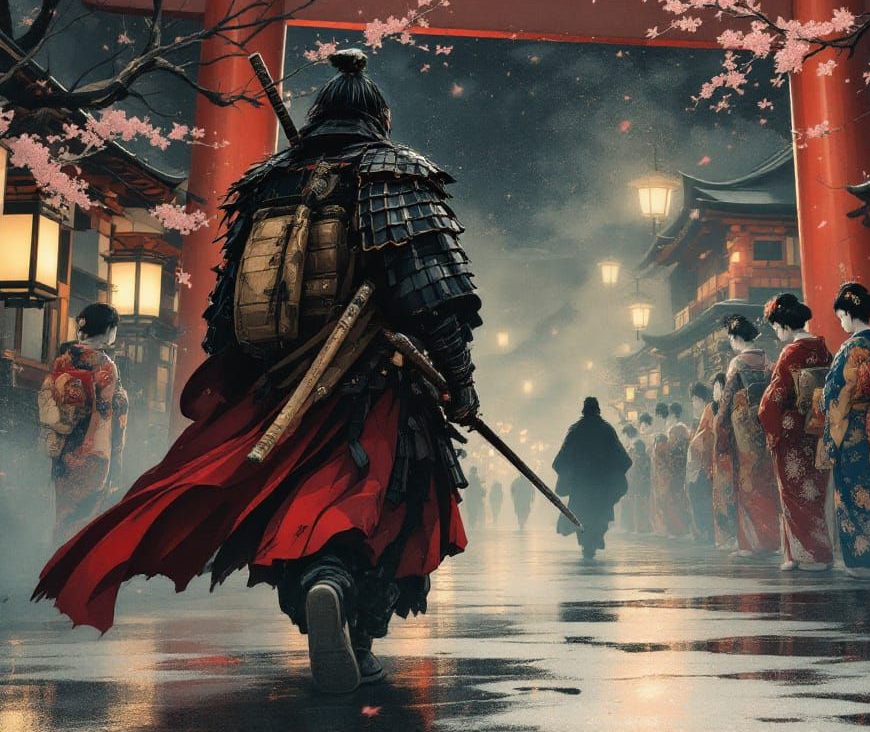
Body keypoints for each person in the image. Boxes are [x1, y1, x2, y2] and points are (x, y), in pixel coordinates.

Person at [35, 49, 483, 693]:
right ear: (379, 120)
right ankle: (346, 608)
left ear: (319, 113)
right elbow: (433, 297)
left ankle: (322, 593)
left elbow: (224, 320)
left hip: (284, 391)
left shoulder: (268, 181)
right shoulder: (395, 173)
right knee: (375, 502)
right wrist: (459, 384)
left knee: (298, 503)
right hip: (378, 386)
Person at [820, 283, 870, 578]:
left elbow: (834, 392)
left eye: (841, 316)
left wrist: (827, 420)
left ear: (850, 314)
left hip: (853, 433)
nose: (841, 323)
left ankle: (863, 561)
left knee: (852, 495)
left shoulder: (851, 348)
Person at [38, 303, 128, 545]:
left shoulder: (62, 360)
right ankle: (76, 572)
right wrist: (91, 449)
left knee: (64, 514)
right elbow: (103, 411)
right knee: (87, 516)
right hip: (92, 450)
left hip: (64, 446)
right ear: (109, 329)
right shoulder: (104, 364)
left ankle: (55, 566)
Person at [758, 293, 834, 571]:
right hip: (818, 428)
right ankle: (820, 552)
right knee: (815, 492)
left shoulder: (791, 352)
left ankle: (805, 555)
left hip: (793, 431)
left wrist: (769, 425)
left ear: (784, 326)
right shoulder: (823, 348)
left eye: (776, 327)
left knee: (793, 492)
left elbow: (774, 396)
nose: (776, 332)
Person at [719, 314, 780, 558]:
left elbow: (726, 399)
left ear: (735, 337)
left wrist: (720, 424)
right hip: (764, 423)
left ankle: (751, 543)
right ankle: (771, 539)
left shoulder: (738, 363)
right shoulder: (768, 359)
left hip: (744, 429)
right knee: (765, 479)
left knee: (747, 482)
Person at [553, 397, 632, 559]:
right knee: (599, 514)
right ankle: (593, 542)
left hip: (580, 484)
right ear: (598, 410)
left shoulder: (575, 430)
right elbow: (623, 459)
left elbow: (561, 459)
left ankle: (586, 544)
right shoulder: (607, 429)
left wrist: (570, 473)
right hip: (602, 485)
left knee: (581, 514)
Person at [710, 372, 738, 550]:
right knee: (720, 499)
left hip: (729, 458)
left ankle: (734, 536)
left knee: (730, 498)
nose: (715, 391)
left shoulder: (728, 409)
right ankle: (725, 537)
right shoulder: (715, 408)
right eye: (713, 388)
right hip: (719, 460)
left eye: (717, 387)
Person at [686, 382, 716, 544]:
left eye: (693, 400)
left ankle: (709, 534)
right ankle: (705, 533)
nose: (692, 404)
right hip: (699, 466)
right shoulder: (700, 416)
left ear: (698, 398)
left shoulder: (710, 410)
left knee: (704, 499)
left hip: (706, 465)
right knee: (700, 499)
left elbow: (708, 438)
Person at [627, 438, 652, 535]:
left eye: (635, 448)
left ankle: (643, 528)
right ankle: (638, 528)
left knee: (642, 507)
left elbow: (644, 472)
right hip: (637, 486)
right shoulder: (637, 457)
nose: (633, 449)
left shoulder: (644, 458)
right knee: (637, 507)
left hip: (642, 486)